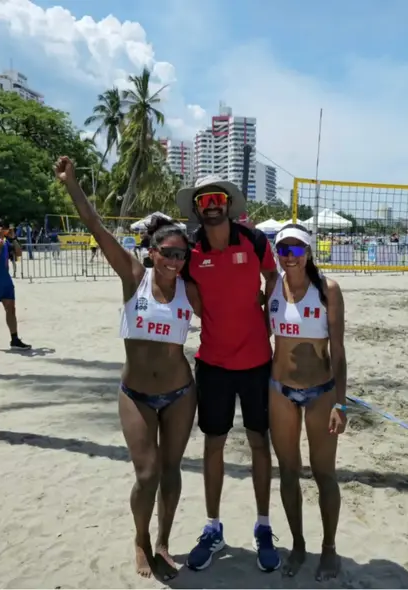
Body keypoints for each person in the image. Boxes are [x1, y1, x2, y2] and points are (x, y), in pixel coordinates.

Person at [55, 156, 198, 580]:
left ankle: (163, 542)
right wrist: (72, 186)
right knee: (147, 473)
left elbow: (230, 311)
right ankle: (140, 538)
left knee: (172, 472)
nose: (175, 261)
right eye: (168, 254)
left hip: (180, 393)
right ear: (152, 253)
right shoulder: (134, 276)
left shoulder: (191, 290)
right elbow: (97, 227)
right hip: (135, 394)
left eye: (181, 255)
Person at [175, 175, 282, 573]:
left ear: (229, 203)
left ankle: (264, 526)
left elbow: (273, 278)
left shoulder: (254, 241)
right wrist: (218, 317)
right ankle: (213, 526)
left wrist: (263, 307)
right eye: (204, 201)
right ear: (197, 209)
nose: (212, 205)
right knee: (213, 445)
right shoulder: (191, 252)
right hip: (214, 364)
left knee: (259, 443)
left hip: (256, 362)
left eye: (218, 198)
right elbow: (193, 295)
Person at [266, 224, 348, 581]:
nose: (289, 256)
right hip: (280, 390)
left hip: (321, 392)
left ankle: (328, 548)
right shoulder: (272, 288)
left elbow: (339, 351)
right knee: (287, 472)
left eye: (296, 249)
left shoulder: (327, 290)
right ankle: (298, 545)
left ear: (309, 253)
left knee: (323, 473)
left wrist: (341, 403)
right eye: (283, 249)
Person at [0, 219, 31, 350]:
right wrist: (0, 238)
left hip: (5, 282)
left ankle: (14, 339)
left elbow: (19, 254)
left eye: (3, 228)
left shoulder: (6, 242)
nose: (2, 230)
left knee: (11, 310)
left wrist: (14, 238)